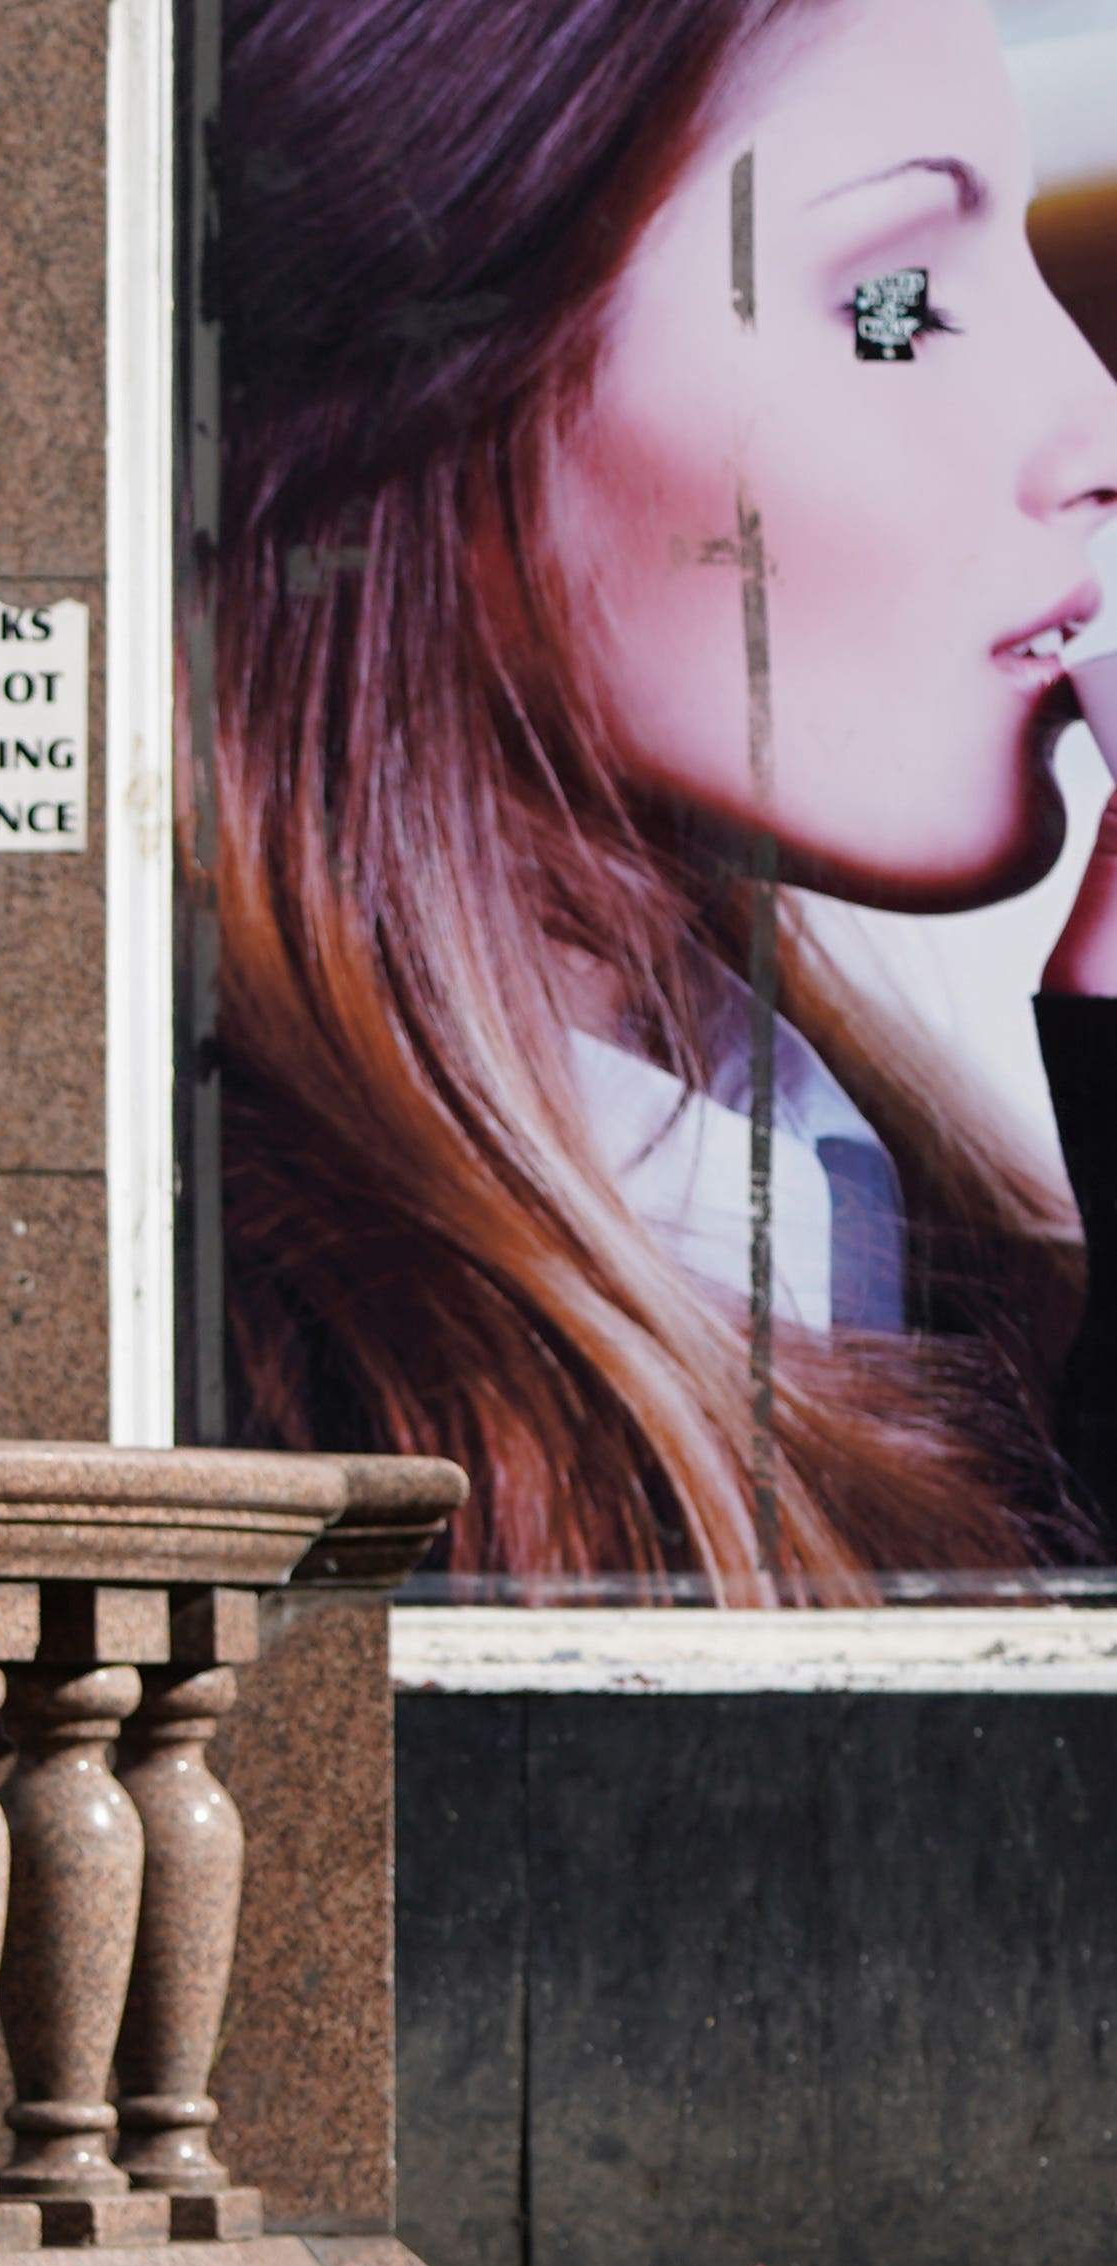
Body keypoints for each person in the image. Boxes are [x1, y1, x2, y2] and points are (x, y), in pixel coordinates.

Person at [210, 0, 1117, 1592]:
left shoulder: (886, 1232)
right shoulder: (247, 1391)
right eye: (896, 300)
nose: (1096, 427)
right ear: (430, 374)